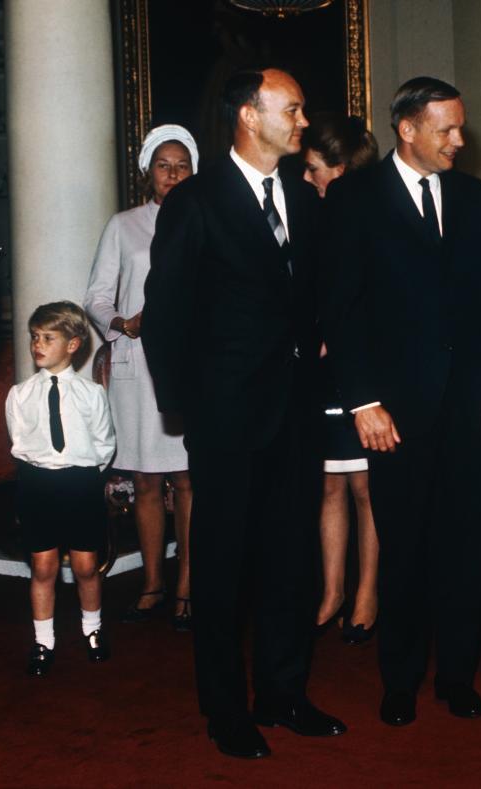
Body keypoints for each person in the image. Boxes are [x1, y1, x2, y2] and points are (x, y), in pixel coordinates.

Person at [141, 68, 345, 759]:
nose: (303, 119)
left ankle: (284, 692)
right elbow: (166, 316)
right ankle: (226, 709)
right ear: (249, 118)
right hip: (226, 416)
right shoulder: (196, 201)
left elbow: (312, 294)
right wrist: (184, 408)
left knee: (293, 559)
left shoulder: (305, 198)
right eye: (292, 108)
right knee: (223, 567)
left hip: (295, 412)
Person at [322, 76, 481, 727]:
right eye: (448, 129)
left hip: (470, 408)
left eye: (460, 127)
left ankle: (457, 676)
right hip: (393, 414)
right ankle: (400, 679)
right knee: (402, 547)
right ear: (408, 129)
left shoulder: (471, 196)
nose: (460, 140)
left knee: (466, 547)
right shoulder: (354, 198)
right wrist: (362, 401)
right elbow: (342, 312)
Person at [84, 125, 198, 631]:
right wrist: (121, 323)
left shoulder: (206, 220)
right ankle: (153, 582)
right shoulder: (124, 225)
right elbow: (97, 295)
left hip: (192, 365)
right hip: (137, 364)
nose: (172, 174)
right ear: (148, 171)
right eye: (163, 165)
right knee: (148, 480)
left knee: (190, 479)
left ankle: (188, 586)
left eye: (182, 165)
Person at [301, 112, 380, 643]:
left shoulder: (374, 216)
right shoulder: (315, 215)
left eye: (314, 169)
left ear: (341, 167)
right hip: (322, 370)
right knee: (330, 483)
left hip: (367, 370)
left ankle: (368, 591)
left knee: (366, 490)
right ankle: (332, 590)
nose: (307, 179)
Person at [6, 302, 116, 676]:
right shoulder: (20, 395)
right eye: (35, 337)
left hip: (80, 483)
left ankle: (93, 629)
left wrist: (82, 477)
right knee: (43, 566)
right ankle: (43, 641)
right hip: (38, 484)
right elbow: (20, 443)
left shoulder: (91, 394)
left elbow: (104, 445)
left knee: (86, 566)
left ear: (73, 344)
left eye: (48, 338)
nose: (38, 344)